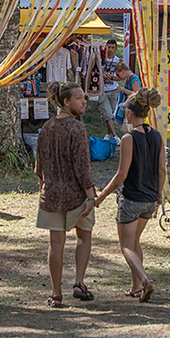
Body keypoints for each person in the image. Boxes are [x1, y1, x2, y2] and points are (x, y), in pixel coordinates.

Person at [95, 88, 166, 303]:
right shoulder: (157, 136)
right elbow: (161, 168)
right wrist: (159, 194)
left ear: (129, 113)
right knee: (135, 242)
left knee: (126, 245)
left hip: (132, 198)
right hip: (150, 199)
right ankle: (135, 287)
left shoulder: (128, 138)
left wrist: (102, 195)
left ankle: (144, 280)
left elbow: (122, 174)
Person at [35, 81, 97, 308]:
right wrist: (91, 195)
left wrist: (43, 184)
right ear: (66, 102)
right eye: (79, 98)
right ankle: (79, 283)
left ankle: (55, 292)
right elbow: (83, 165)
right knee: (84, 235)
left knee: (56, 242)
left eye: (84, 97)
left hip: (51, 193)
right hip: (76, 194)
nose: (84, 102)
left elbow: (39, 163)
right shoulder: (77, 128)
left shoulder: (47, 127)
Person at [98, 39, 121, 137]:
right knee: (107, 115)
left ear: (116, 49)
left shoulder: (118, 61)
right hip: (103, 90)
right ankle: (115, 136)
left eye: (112, 48)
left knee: (111, 115)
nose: (110, 50)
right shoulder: (100, 59)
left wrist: (112, 77)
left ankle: (108, 134)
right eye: (109, 47)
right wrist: (101, 76)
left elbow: (120, 77)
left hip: (113, 90)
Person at [113, 62, 141, 127]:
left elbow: (136, 94)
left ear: (122, 72)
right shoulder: (129, 79)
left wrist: (123, 90)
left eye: (118, 74)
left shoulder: (134, 80)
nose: (118, 77)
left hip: (134, 106)